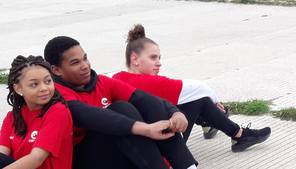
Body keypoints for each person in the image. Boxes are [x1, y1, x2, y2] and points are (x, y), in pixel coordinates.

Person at [42, 35, 234, 169]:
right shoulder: (54, 96)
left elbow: (146, 99)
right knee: (121, 110)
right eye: (75, 63)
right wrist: (144, 128)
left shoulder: (100, 81)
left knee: (149, 106)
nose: (85, 66)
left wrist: (175, 113)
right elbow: (92, 116)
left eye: (85, 58)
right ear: (56, 70)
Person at [113, 24, 271, 152]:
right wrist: (215, 102)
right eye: (153, 57)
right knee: (200, 100)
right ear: (135, 59)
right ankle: (236, 133)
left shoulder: (117, 78)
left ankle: (211, 124)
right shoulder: (148, 83)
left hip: (136, 153)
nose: (159, 63)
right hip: (161, 154)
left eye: (159, 58)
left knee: (187, 100)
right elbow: (199, 87)